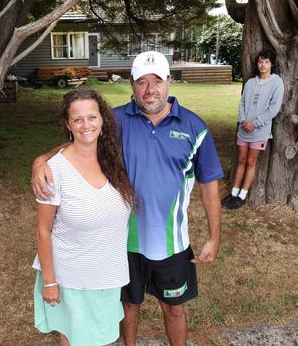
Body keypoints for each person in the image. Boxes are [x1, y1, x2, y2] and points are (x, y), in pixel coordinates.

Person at [32, 51, 224, 346]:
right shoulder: (116, 120)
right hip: (123, 240)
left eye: (157, 81)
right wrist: (41, 159)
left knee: (173, 307)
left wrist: (213, 237)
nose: (150, 90)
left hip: (171, 240)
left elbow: (209, 184)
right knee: (128, 306)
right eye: (141, 82)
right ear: (132, 85)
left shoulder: (194, 127)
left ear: (170, 82)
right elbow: (81, 138)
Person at [32, 87, 134, 345]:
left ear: (102, 120)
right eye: (77, 119)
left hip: (108, 274)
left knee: (104, 337)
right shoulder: (53, 171)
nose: (85, 125)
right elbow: (43, 231)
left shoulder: (112, 160)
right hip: (71, 277)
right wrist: (50, 282)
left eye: (92, 117)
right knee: (75, 338)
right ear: (68, 124)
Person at [222, 49, 284, 210]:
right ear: (257, 64)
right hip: (244, 129)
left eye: (266, 62)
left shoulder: (276, 83)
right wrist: (243, 120)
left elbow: (274, 109)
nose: (263, 65)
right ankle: (233, 193)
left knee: (251, 162)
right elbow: (242, 104)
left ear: (271, 64)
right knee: (241, 160)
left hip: (260, 131)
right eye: (260, 62)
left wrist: (254, 123)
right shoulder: (250, 83)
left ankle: (242, 196)